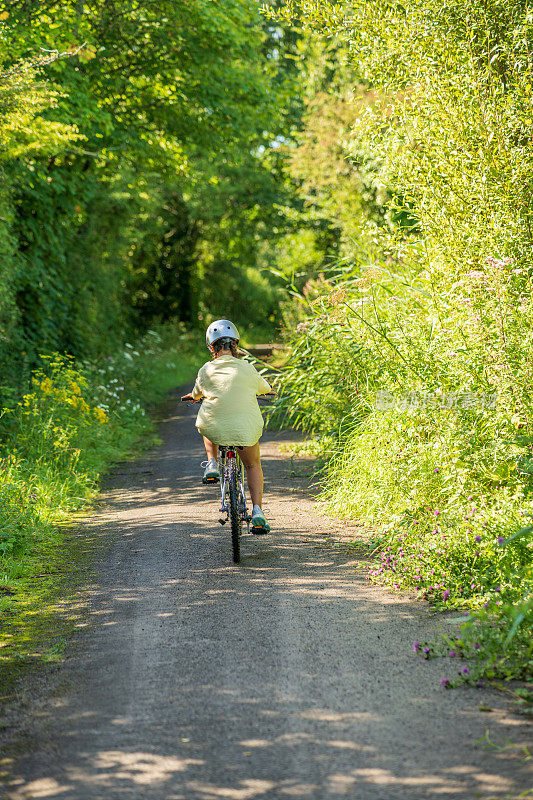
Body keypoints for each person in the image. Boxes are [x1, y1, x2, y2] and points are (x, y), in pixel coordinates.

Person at [181, 319, 273, 533]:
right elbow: (264, 388)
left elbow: (197, 394)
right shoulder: (248, 368)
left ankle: (212, 463)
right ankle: (257, 510)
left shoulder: (206, 370)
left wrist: (194, 397)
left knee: (208, 417)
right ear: (235, 346)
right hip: (245, 430)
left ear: (211, 347)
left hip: (216, 429)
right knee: (252, 465)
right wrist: (267, 391)